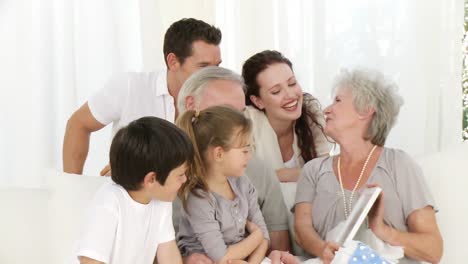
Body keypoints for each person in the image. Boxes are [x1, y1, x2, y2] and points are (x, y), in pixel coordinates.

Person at [294, 68, 443, 263]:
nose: (326, 109)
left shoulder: (399, 164)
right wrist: (323, 249)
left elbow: (433, 249)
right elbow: (301, 229)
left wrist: (381, 230)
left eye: (337, 101)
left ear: (365, 110)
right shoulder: (313, 170)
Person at [63, 18, 222, 175]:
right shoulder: (130, 86)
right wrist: (74, 187)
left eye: (217, 66)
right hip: (130, 198)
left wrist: (135, 169)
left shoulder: (221, 102)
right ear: (173, 61)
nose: (214, 75)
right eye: (204, 66)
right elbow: (79, 124)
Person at [176, 66, 292, 257]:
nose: (236, 121)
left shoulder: (254, 172)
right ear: (191, 105)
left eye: (241, 112)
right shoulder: (162, 168)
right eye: (226, 111)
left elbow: (276, 246)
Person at [74, 116, 194, 264]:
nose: (185, 180)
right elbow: (90, 260)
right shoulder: (109, 203)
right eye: (180, 175)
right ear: (151, 179)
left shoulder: (160, 200)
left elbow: (168, 253)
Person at [242, 50, 330, 185]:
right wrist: (300, 174)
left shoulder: (310, 111)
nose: (290, 95)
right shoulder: (247, 123)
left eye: (292, 83)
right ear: (258, 101)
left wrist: (281, 175)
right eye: (276, 91)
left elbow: (326, 173)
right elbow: (245, 179)